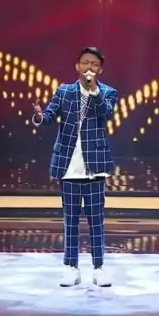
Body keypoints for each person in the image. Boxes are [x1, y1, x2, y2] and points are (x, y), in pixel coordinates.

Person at [32, 46, 117, 287]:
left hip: (94, 166)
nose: (89, 67)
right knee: (70, 220)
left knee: (96, 220)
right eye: (85, 63)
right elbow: (49, 115)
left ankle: (99, 268)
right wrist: (39, 116)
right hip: (69, 165)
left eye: (94, 64)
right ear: (77, 66)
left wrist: (94, 91)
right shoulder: (64, 92)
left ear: (100, 69)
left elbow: (106, 113)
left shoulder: (108, 92)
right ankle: (71, 268)